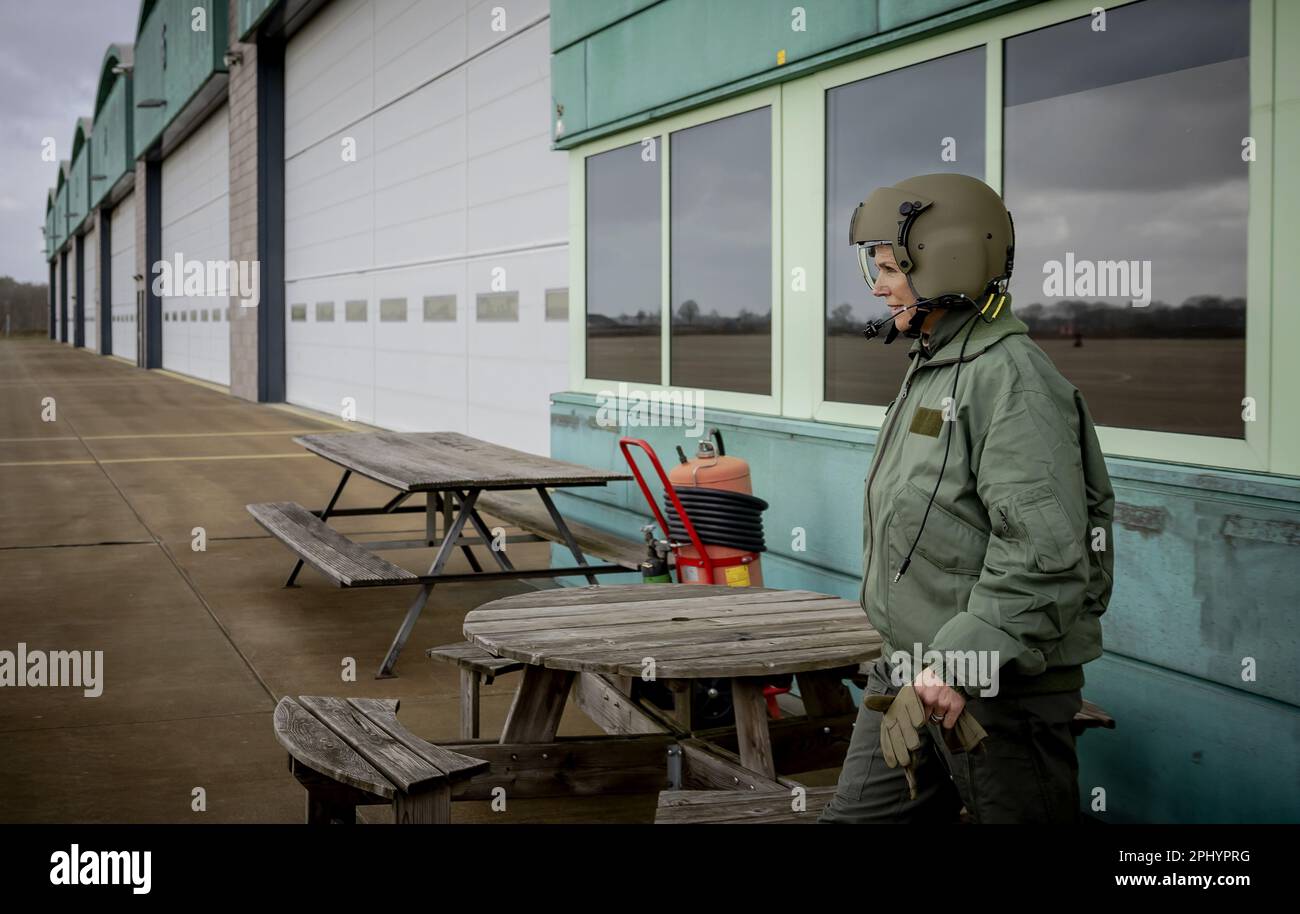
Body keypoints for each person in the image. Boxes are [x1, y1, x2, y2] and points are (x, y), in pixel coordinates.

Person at [818, 173, 1116, 824]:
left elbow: (1046, 554)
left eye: (890, 267)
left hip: (995, 691)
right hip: (908, 671)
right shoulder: (935, 368)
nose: (876, 285)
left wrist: (956, 664)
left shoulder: (1010, 381)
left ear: (946, 264)